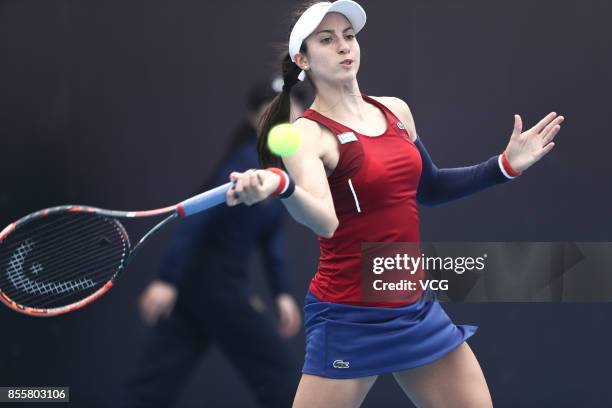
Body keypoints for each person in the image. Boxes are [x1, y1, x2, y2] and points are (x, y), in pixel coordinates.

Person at [226, 1, 564, 407]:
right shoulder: (307, 135)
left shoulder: (396, 110)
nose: (343, 47)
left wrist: (504, 166)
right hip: (349, 313)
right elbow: (323, 220)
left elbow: (430, 187)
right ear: (303, 58)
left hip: (410, 302)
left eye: (349, 36)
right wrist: (284, 187)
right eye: (327, 40)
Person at [113, 78, 306, 408]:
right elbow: (196, 219)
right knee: (282, 381)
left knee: (151, 389)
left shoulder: (277, 167)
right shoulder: (245, 161)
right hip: (213, 284)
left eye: (289, 110)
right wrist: (166, 280)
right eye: (271, 111)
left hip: (199, 288)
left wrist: (281, 293)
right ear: (253, 118)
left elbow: (271, 237)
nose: (281, 118)